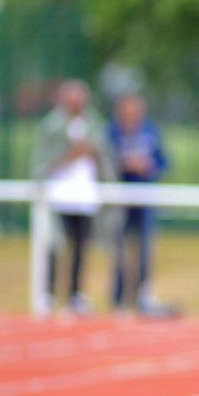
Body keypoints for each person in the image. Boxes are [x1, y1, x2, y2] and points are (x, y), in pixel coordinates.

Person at [31, 79, 117, 315]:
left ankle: (76, 295)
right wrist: (70, 154)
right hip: (58, 196)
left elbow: (104, 156)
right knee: (54, 246)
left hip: (85, 196)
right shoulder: (52, 126)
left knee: (81, 247)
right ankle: (47, 293)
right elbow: (43, 161)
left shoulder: (94, 124)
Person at [108, 93, 174, 317]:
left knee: (145, 249)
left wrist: (149, 166)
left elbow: (164, 162)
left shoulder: (151, 131)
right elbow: (104, 160)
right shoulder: (112, 132)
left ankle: (143, 295)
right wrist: (124, 164)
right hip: (120, 199)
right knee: (119, 251)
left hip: (145, 200)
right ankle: (118, 299)